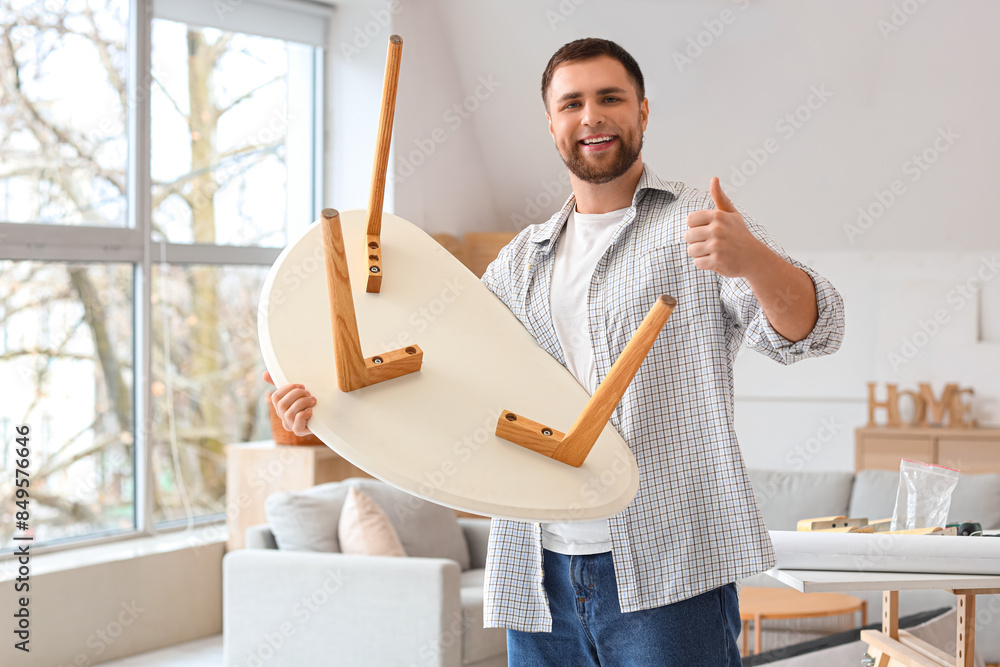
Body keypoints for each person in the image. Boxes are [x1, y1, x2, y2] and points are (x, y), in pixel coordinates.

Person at [266, 37, 845, 667]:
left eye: (610, 98)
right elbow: (441, 377)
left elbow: (816, 331)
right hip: (535, 577)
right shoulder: (518, 262)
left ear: (643, 112)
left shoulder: (701, 228)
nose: (590, 116)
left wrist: (755, 262)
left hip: (670, 571)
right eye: (571, 103)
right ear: (552, 124)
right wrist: (323, 401)